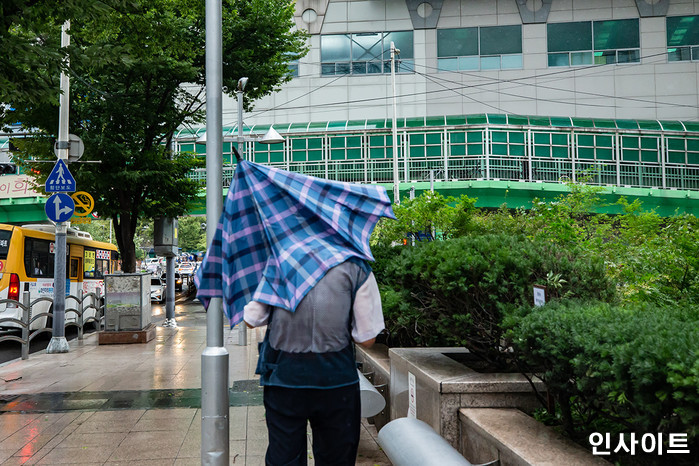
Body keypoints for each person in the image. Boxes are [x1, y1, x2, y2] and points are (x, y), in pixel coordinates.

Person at [244, 257, 385, 466]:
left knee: (284, 458)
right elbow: (367, 338)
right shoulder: (357, 268)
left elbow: (251, 320)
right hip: (336, 381)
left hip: (284, 379)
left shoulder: (277, 264)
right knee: (336, 459)